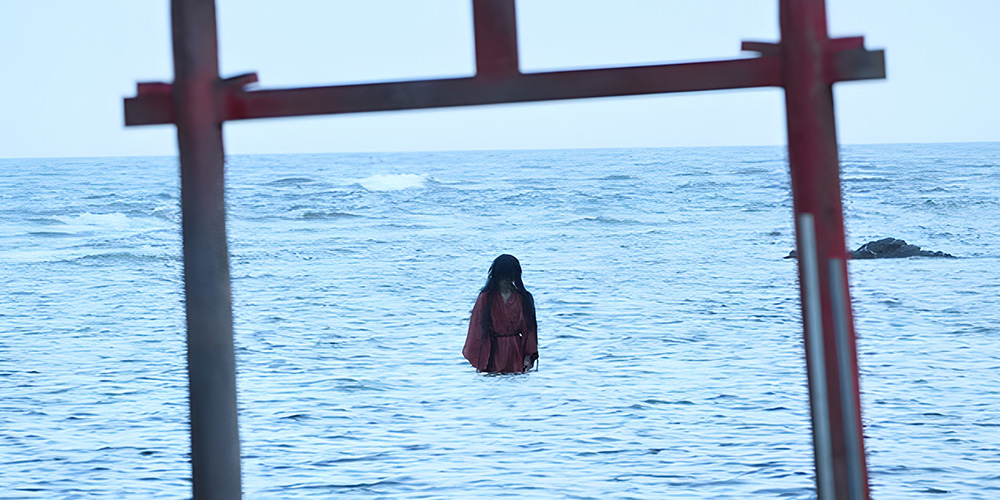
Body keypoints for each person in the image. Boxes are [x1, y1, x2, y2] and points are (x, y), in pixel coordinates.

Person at [462, 254, 539, 373]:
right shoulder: (486, 298)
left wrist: (528, 356)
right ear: (496, 277)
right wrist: (482, 357)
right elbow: (477, 328)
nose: (505, 281)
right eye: (502, 277)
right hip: (493, 352)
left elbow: (529, 330)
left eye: (508, 277)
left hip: (516, 351)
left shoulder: (523, 298)